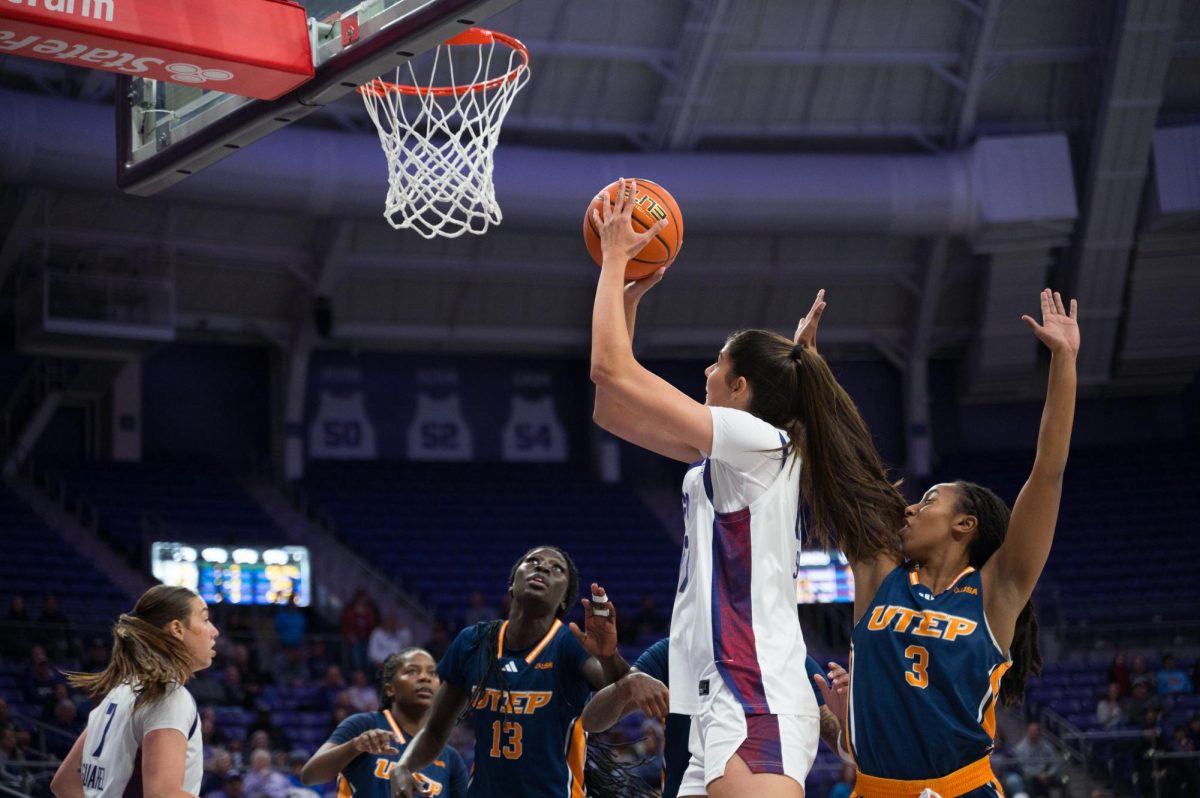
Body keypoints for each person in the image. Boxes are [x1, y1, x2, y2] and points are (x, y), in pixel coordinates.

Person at [589, 180, 905, 798]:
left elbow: (610, 367)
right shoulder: (734, 454)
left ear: (740, 392)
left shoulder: (756, 442)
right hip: (713, 696)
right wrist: (624, 297)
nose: (707, 371)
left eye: (718, 365)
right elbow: (611, 407)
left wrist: (616, 258)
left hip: (756, 692)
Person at [845, 289, 1080, 797]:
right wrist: (813, 380)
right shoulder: (881, 574)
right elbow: (849, 473)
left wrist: (1064, 360)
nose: (909, 508)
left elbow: (1048, 473)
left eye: (928, 500)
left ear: (965, 525)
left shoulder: (997, 591)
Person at [389, 546, 629, 797]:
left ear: (564, 601)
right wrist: (404, 766)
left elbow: (621, 689)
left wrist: (608, 657)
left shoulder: (568, 644)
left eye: (557, 568)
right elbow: (435, 731)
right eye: (533, 560)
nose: (544, 567)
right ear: (512, 584)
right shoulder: (473, 642)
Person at [580, 636, 850, 798]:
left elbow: (846, 750)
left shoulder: (792, 661)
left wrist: (849, 716)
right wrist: (626, 685)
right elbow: (592, 720)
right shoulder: (676, 651)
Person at [49, 585, 220, 798]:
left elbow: (65, 784)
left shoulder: (119, 692)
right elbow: (162, 795)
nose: (214, 631)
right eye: (205, 619)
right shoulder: (166, 696)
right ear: (177, 629)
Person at [300, 648, 467, 798]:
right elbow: (310, 775)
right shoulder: (364, 725)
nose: (425, 678)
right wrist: (355, 746)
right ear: (390, 689)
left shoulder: (450, 757)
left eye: (433, 673)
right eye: (412, 671)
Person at [1012, 723, 1064, 798]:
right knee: (1028, 779)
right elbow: (1023, 768)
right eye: (1031, 732)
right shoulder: (1020, 748)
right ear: (1028, 732)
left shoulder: (1047, 746)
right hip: (1031, 776)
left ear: (1039, 733)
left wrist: (1048, 774)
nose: (1033, 735)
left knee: (1063, 779)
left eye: (1035, 733)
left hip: (1045, 774)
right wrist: (1038, 775)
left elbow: (1055, 762)